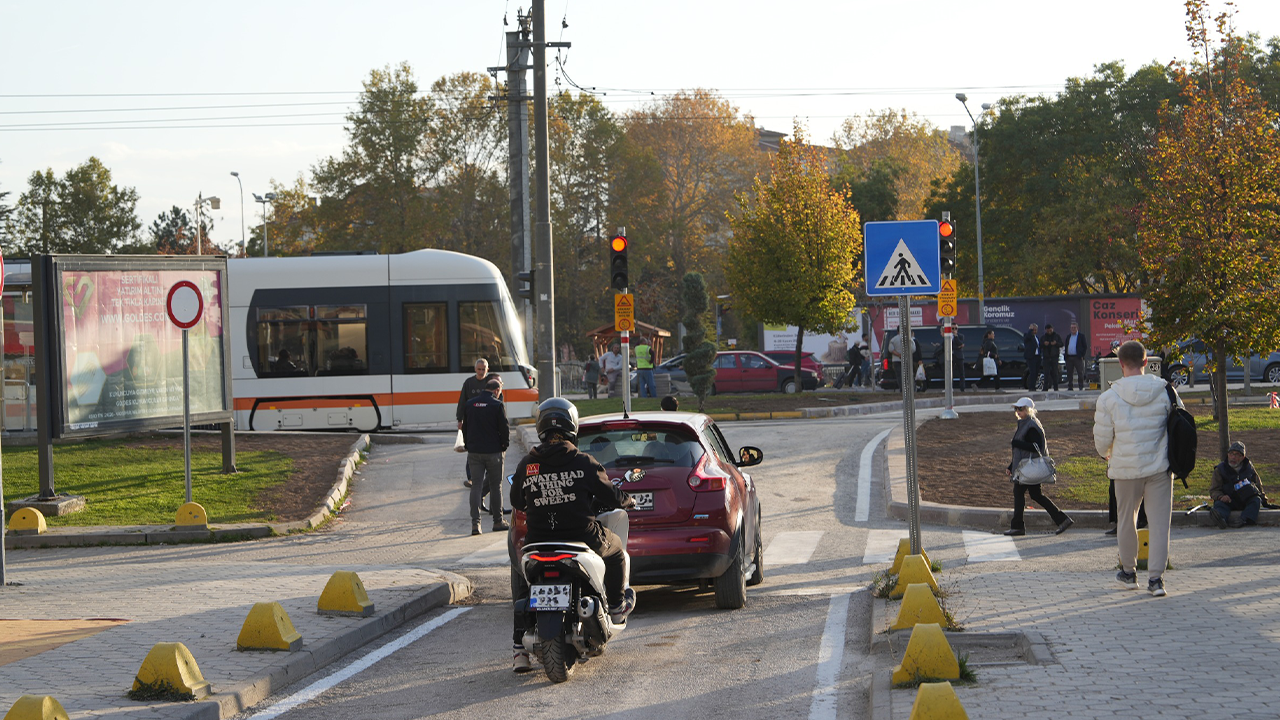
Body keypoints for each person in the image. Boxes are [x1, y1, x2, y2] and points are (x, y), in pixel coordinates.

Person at [509, 398, 636, 672]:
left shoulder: (528, 463)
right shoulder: (583, 461)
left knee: (522, 579)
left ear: (541, 427)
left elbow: (517, 500)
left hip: (539, 539)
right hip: (582, 535)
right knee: (617, 554)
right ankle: (615, 607)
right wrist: (627, 501)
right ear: (572, 427)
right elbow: (609, 494)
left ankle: (519, 650)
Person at [1094, 340, 1180, 597]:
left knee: (1126, 521)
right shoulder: (1165, 390)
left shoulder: (1108, 397)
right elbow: (1179, 425)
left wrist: (1107, 454)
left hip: (1125, 468)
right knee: (1159, 523)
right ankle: (1156, 579)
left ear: (1120, 364)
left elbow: (1102, 440)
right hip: (1159, 468)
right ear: (1146, 362)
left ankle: (1129, 572)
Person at [1004, 397, 1074, 536]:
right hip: (1025, 467)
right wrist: (1012, 466)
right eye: (1016, 409)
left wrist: (1016, 443)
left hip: (1029, 468)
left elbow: (1037, 447)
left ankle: (1018, 526)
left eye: (1021, 409)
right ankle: (1062, 519)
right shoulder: (1025, 423)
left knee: (1020, 493)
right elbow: (1021, 450)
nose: (1018, 411)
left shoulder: (1030, 425)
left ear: (1029, 410)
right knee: (1036, 495)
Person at [462, 377, 510, 536]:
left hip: (475, 452)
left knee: (476, 486)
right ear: (497, 390)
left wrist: (468, 445)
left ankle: (475, 525)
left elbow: (465, 428)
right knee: (496, 486)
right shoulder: (497, 405)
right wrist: (504, 445)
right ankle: (498, 521)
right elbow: (504, 428)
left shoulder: (470, 404)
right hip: (494, 452)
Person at [1209, 441, 1265, 528]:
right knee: (1219, 504)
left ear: (1243, 457)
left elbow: (1258, 484)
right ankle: (1220, 519)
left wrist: (1264, 498)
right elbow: (1214, 490)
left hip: (1245, 500)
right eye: (1231, 454)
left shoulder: (1249, 467)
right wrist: (1221, 497)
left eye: (1237, 454)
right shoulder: (1220, 469)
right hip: (1228, 500)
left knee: (1256, 500)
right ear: (1228, 455)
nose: (1233, 457)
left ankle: (1244, 519)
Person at [457, 358, 492, 488]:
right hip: (471, 423)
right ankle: (471, 478)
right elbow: (462, 402)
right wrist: (459, 419)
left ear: (487, 370)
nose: (481, 371)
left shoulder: (491, 382)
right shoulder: (469, 383)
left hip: (488, 423)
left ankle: (489, 478)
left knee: (489, 450)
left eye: (484, 369)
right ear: (475, 369)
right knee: (472, 449)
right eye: (479, 369)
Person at [1063, 322, 1089, 391]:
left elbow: (1085, 346)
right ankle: (1070, 387)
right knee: (1069, 373)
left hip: (1078, 357)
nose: (1073, 329)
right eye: (1072, 328)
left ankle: (1081, 386)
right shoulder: (1068, 336)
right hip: (1069, 357)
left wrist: (1081, 355)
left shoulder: (1081, 336)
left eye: (1074, 327)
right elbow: (1066, 346)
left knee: (1080, 373)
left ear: (1077, 328)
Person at [1042, 324, 1063, 391]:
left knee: (1055, 373)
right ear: (1046, 330)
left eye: (1050, 329)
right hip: (1046, 357)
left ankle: (1056, 387)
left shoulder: (1056, 336)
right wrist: (1044, 344)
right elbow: (1040, 345)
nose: (1049, 331)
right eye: (1048, 330)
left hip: (1054, 357)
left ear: (1052, 329)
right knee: (1046, 373)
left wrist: (1056, 343)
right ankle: (1045, 387)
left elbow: (1061, 344)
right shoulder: (1044, 337)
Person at [1023, 323, 1042, 390]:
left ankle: (1034, 386)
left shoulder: (1037, 337)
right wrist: (1030, 330)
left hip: (1037, 356)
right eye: (1033, 330)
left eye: (1035, 330)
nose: (1034, 331)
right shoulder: (1028, 336)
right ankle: (1031, 387)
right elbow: (1027, 338)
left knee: (1036, 372)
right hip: (1031, 357)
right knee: (1032, 372)